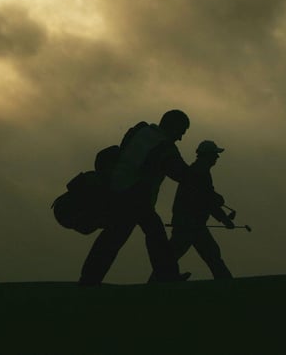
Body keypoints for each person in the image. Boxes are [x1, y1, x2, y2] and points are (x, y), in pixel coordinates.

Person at [78, 109, 192, 286]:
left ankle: (89, 280)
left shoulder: (140, 131)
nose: (180, 137)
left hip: (118, 190)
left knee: (113, 238)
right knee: (154, 235)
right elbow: (181, 174)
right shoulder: (164, 146)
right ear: (173, 126)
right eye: (181, 132)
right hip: (136, 196)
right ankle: (167, 277)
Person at [167, 140, 234, 279]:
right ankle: (227, 283)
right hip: (191, 224)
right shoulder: (200, 172)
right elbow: (207, 199)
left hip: (189, 223)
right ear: (208, 155)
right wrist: (224, 218)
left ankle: (159, 281)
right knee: (212, 254)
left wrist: (222, 212)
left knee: (172, 256)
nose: (217, 157)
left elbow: (207, 198)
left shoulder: (197, 170)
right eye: (215, 154)